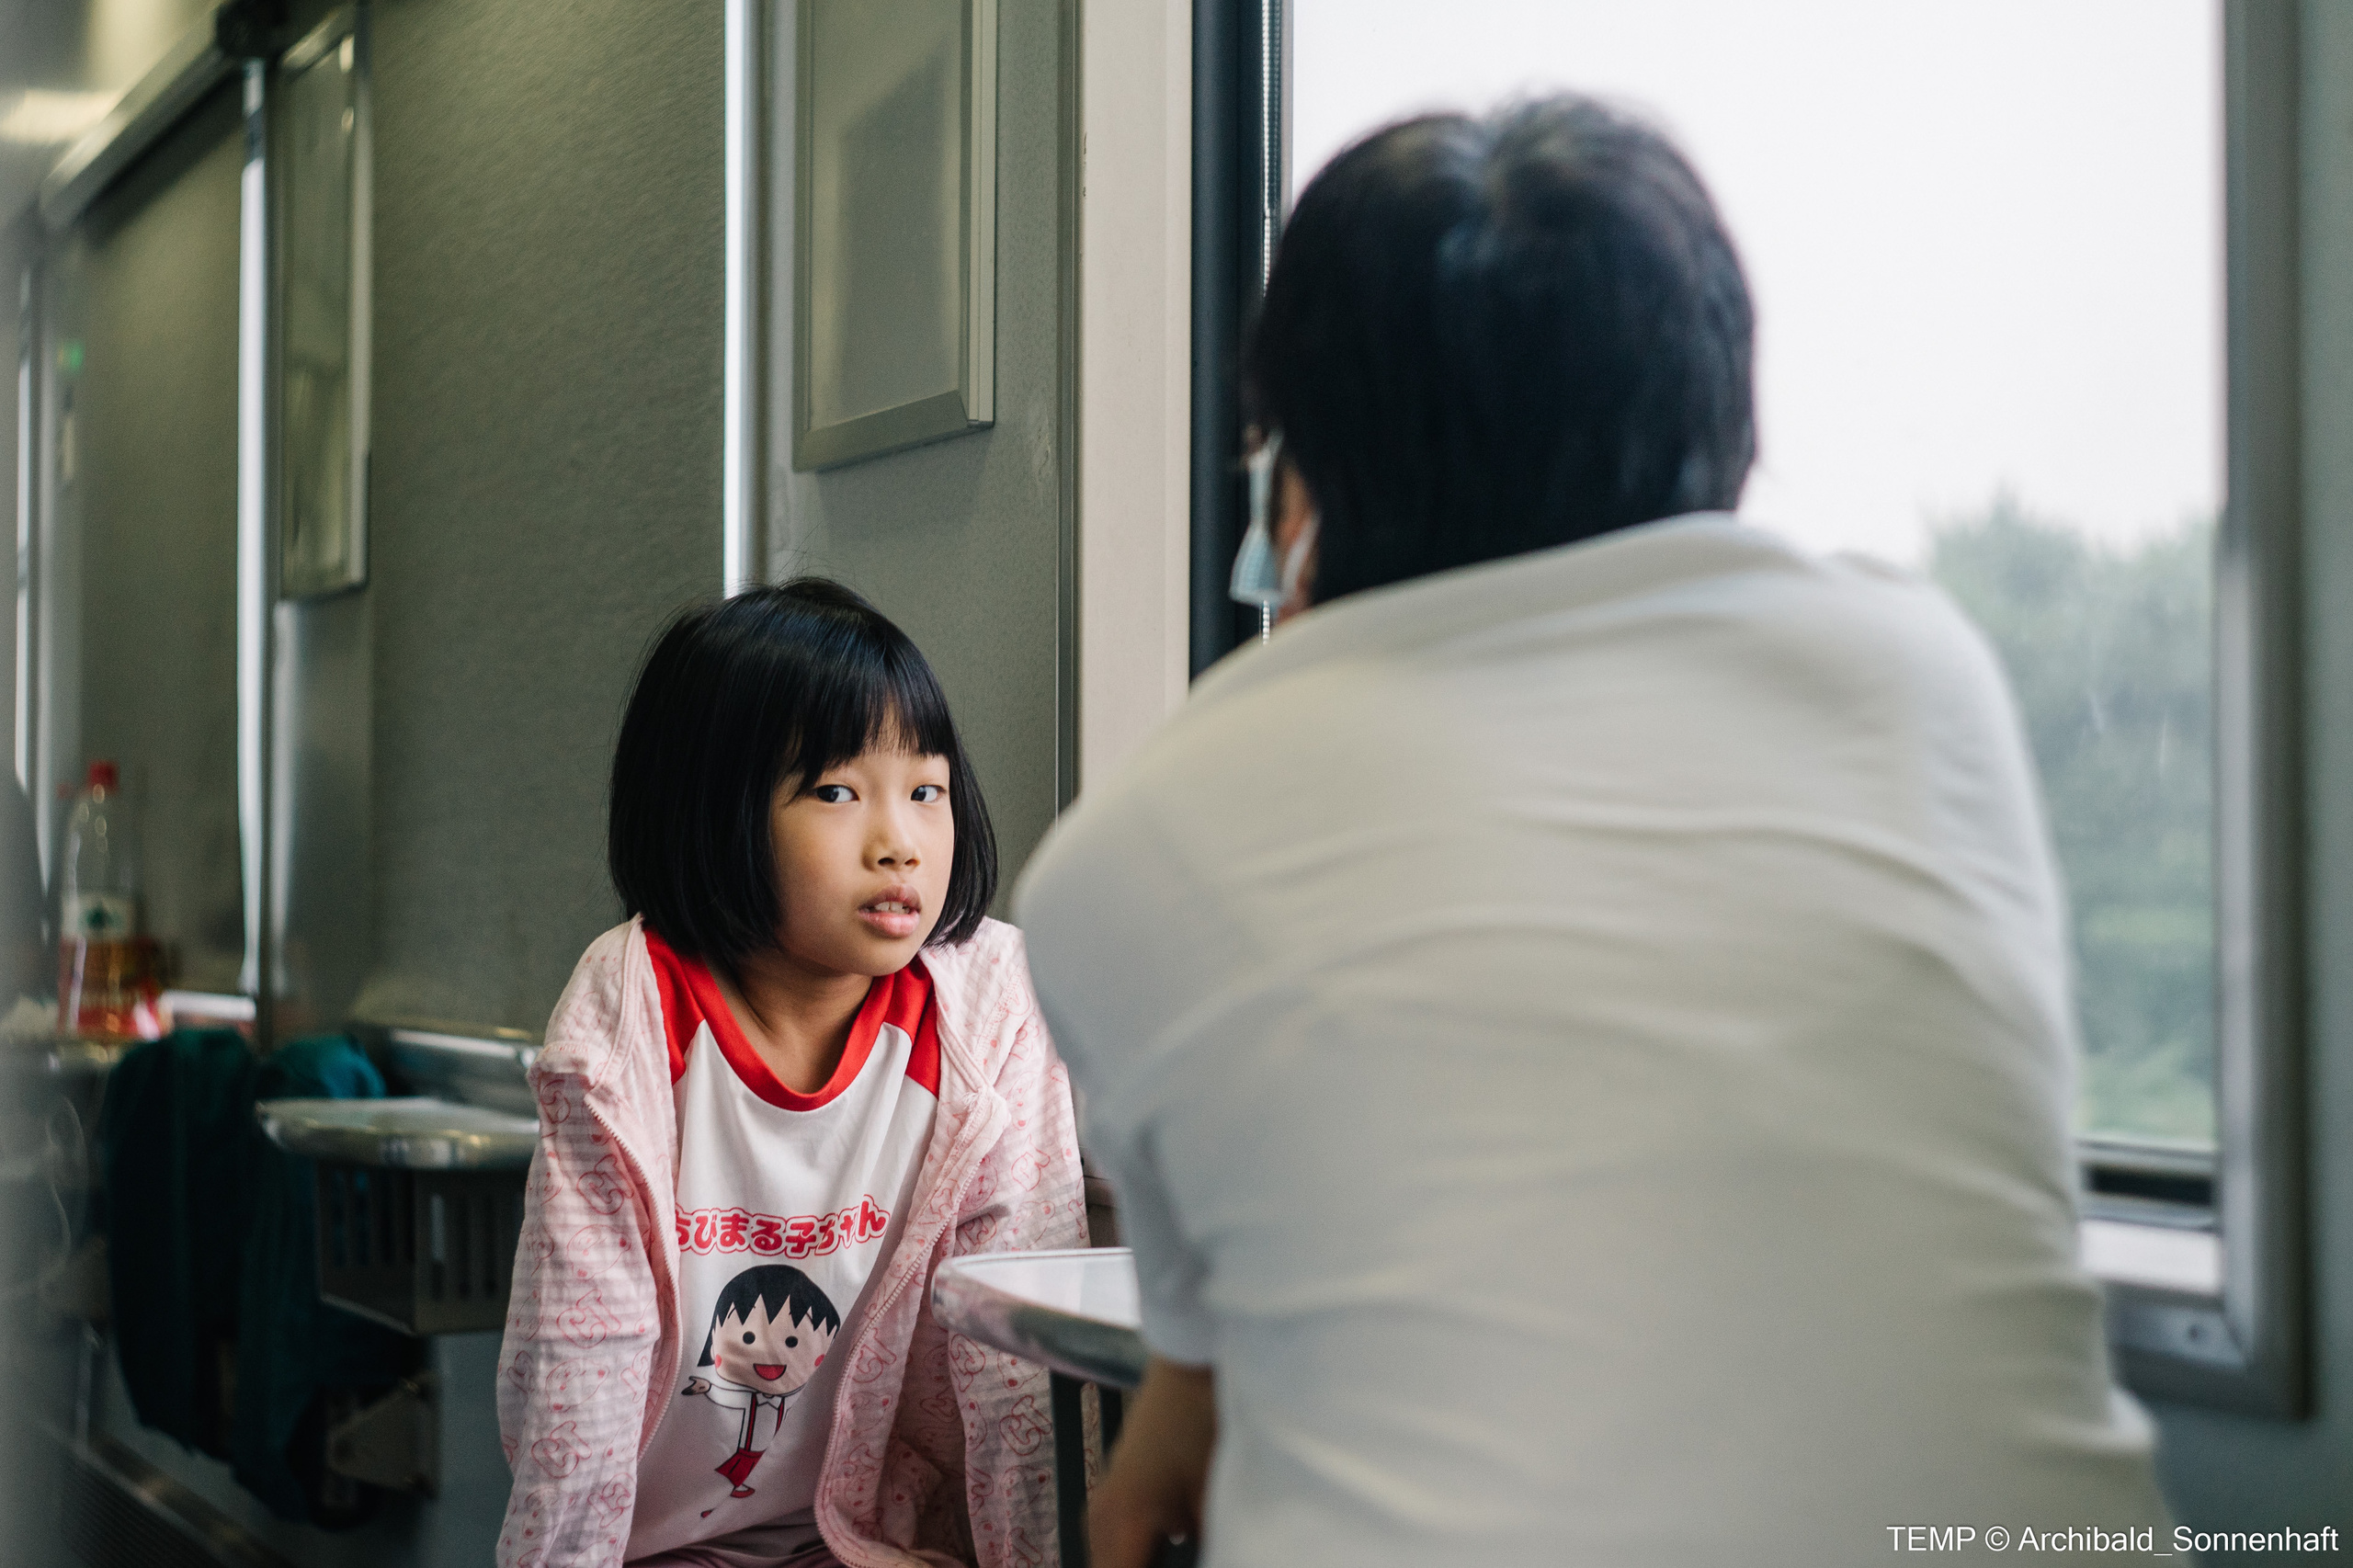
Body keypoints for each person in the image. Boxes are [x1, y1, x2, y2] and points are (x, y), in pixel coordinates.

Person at [1016, 97, 2175, 1566]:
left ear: (1305, 479)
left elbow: (1189, 1412)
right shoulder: (1923, 672)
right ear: (1720, 424)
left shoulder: (1135, 847)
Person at [496, 580, 1086, 1568]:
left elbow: (1018, 1360)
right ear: (714, 808)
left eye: (926, 789)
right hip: (654, 1547)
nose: (899, 839)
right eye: (836, 791)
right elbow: (578, 1366)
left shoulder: (987, 1004)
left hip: (870, 1538)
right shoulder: (634, 1007)